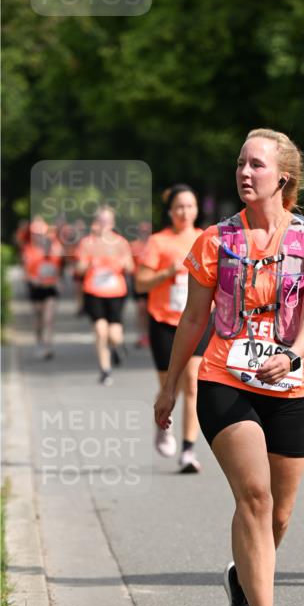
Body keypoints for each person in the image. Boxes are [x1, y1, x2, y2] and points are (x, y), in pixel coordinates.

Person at [154, 129, 304, 606]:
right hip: (225, 379)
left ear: (283, 177)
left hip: (293, 383)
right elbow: (192, 319)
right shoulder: (215, 241)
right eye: (240, 163)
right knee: (254, 497)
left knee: (278, 515)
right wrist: (168, 386)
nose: (245, 173)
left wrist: (296, 354)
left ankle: (241, 576)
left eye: (256, 164)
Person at [136, 187, 212, 474]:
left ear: (196, 209)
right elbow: (141, 284)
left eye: (190, 206)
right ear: (170, 212)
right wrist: (167, 273)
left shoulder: (206, 238)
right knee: (170, 385)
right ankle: (163, 424)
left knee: (192, 382)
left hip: (199, 320)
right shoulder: (158, 242)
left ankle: (189, 450)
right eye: (179, 207)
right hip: (164, 322)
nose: (184, 211)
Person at [75, 206, 134, 385]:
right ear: (96, 223)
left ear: (113, 223)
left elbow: (131, 268)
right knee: (100, 330)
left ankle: (116, 347)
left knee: (115, 335)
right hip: (94, 292)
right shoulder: (87, 243)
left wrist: (124, 263)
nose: (104, 224)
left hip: (116, 293)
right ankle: (105, 370)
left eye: (108, 221)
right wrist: (88, 264)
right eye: (101, 221)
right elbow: (78, 269)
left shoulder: (121, 243)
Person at [22, 216, 63, 359]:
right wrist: (33, 279)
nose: (38, 236)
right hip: (36, 288)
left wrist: (58, 280)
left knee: (49, 318)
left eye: (40, 233)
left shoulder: (55, 247)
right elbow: (26, 273)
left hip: (51, 288)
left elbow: (59, 267)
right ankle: (39, 342)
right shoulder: (29, 250)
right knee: (39, 318)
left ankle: (48, 345)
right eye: (35, 233)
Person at [129, 220, 152, 350]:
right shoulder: (133, 246)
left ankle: (150, 335)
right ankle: (142, 335)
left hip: (152, 282)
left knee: (151, 310)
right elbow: (129, 263)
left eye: (147, 231)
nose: (145, 233)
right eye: (142, 231)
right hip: (138, 282)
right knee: (141, 309)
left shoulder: (153, 245)